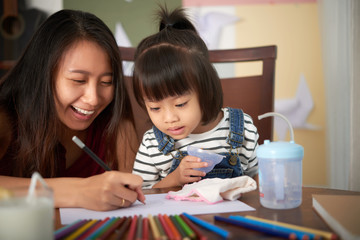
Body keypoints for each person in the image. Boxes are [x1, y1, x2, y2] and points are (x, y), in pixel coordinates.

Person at [0, 9, 145, 210]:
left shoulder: (115, 124)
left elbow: (136, 198)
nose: (93, 99)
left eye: (106, 82)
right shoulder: (5, 119)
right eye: (78, 80)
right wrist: (78, 191)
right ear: (43, 74)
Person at [132, 7, 259, 189]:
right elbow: (142, 194)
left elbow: (256, 182)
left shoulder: (243, 129)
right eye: (155, 108)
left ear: (206, 90)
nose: (170, 118)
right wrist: (174, 179)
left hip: (230, 216)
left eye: (180, 104)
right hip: (176, 217)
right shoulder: (153, 144)